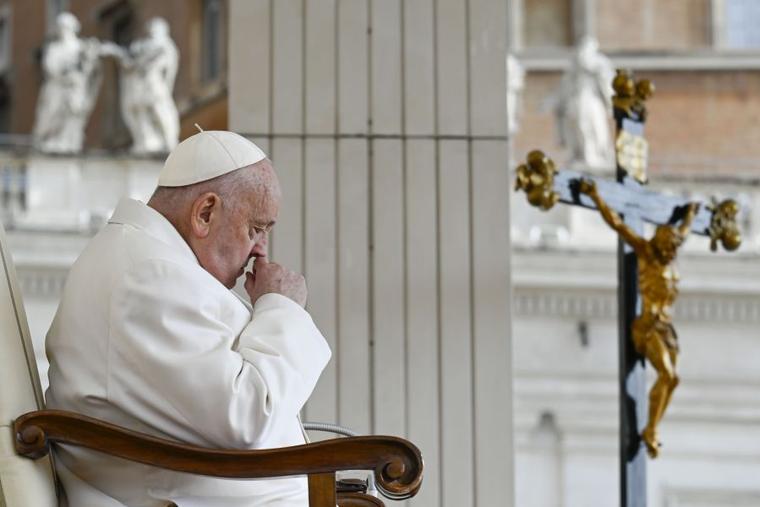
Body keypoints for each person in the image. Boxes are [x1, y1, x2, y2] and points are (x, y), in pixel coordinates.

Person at [45, 131, 331, 506]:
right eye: (255, 229)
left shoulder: (147, 259)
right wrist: (282, 307)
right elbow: (248, 416)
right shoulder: (149, 275)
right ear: (205, 213)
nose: (260, 250)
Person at [579, 178, 698, 458]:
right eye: (668, 247)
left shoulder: (670, 254)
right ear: (659, 243)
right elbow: (618, 225)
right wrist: (596, 197)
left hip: (666, 328)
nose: (671, 252)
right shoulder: (646, 252)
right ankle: (651, 430)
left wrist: (691, 214)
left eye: (674, 249)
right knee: (669, 375)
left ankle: (652, 427)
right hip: (646, 328)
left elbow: (684, 230)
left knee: (672, 380)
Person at [102, 17, 180, 154]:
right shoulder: (142, 46)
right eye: (152, 28)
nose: (153, 31)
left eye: (156, 28)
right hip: (141, 86)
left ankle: (169, 140)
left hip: (154, 85)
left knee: (159, 110)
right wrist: (114, 51)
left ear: (163, 30)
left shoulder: (165, 46)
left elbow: (169, 70)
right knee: (140, 112)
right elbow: (130, 64)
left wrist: (166, 85)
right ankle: (147, 141)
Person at [32, 12, 103, 154]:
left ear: (73, 28)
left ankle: (69, 142)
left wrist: (90, 59)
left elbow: (92, 71)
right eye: (60, 27)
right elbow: (49, 67)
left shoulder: (82, 47)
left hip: (75, 88)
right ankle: (50, 140)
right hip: (56, 87)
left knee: (73, 115)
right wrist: (66, 73)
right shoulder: (53, 48)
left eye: (65, 26)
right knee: (50, 115)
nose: (62, 30)